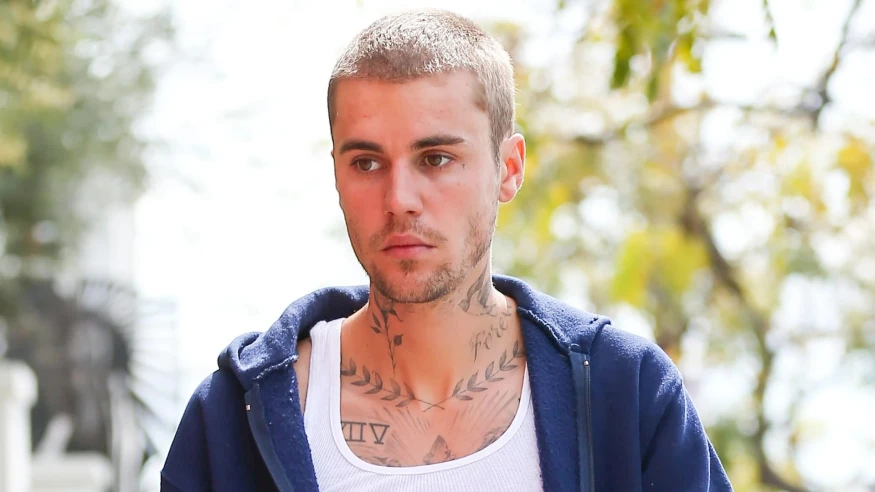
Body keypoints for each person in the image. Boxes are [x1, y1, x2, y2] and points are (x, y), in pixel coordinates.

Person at [161, 8, 732, 492]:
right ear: (336, 172)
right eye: (367, 163)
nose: (399, 200)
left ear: (509, 169)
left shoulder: (624, 394)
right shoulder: (232, 420)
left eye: (435, 159)